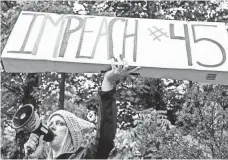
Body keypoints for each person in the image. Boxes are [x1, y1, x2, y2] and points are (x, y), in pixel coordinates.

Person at [24, 58, 140, 159]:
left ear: (72, 134)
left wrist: (108, 84)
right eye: (50, 124)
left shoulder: (84, 157)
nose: (52, 127)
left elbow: (105, 139)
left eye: (60, 123)